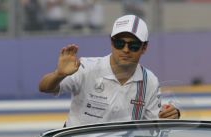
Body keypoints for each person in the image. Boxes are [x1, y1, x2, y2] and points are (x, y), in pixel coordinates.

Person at [39, 14, 180, 124]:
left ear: (144, 48)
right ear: (111, 42)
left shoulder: (150, 80)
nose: (125, 50)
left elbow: (156, 124)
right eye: (119, 43)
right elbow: (44, 87)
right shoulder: (86, 67)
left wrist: (171, 115)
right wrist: (58, 74)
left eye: (134, 45)